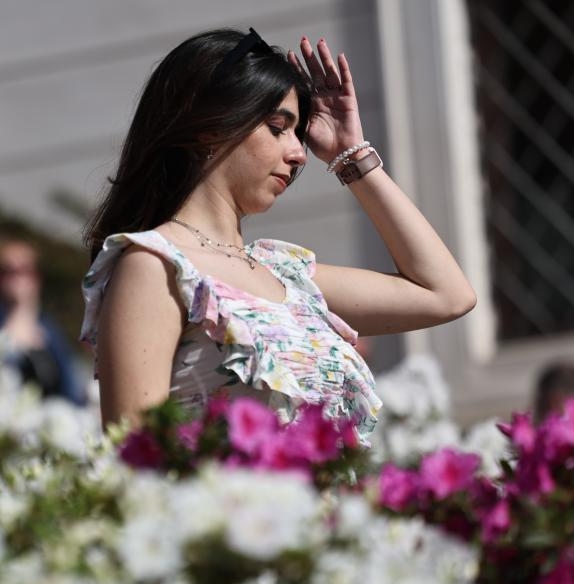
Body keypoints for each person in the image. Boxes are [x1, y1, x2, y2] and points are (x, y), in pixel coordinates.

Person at [80, 28, 477, 439]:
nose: (299, 153)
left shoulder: (285, 273)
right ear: (210, 127)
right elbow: (135, 458)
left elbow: (446, 294)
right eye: (277, 127)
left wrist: (351, 153)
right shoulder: (155, 265)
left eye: (297, 131)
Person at [0, 239, 87, 405]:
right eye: (8, 271)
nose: (18, 279)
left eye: (25, 270)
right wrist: (17, 313)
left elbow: (69, 386)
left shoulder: (49, 329)